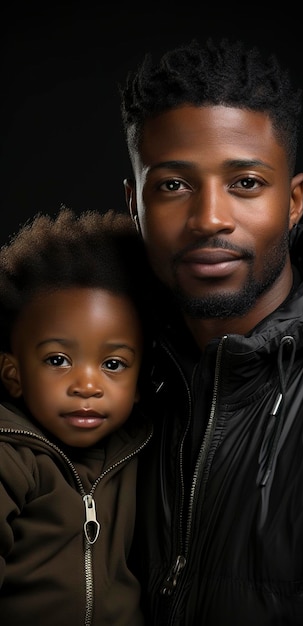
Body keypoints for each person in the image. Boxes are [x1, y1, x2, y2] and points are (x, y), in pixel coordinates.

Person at [119, 37, 303, 625]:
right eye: (173, 185)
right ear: (134, 204)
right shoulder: (110, 369)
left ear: (294, 200)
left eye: (245, 182)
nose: (209, 218)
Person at [0, 206, 153, 626]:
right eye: (58, 359)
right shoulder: (11, 458)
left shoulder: (142, 452)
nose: (87, 384)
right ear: (13, 375)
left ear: (140, 384)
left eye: (114, 364)